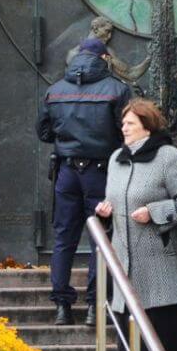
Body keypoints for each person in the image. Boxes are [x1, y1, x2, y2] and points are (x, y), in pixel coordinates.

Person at [95, 99, 177, 351]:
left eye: (129, 123)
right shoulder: (117, 158)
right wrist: (105, 212)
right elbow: (114, 200)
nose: (124, 128)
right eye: (123, 123)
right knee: (124, 312)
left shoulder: (168, 157)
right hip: (124, 254)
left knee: (171, 317)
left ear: (146, 125)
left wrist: (154, 211)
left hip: (161, 254)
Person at [37, 37, 131, 326]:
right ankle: (94, 306)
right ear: (104, 59)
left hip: (66, 172)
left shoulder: (55, 91)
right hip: (101, 173)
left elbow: (43, 132)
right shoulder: (117, 89)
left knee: (64, 239)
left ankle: (62, 308)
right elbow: (125, 130)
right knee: (101, 240)